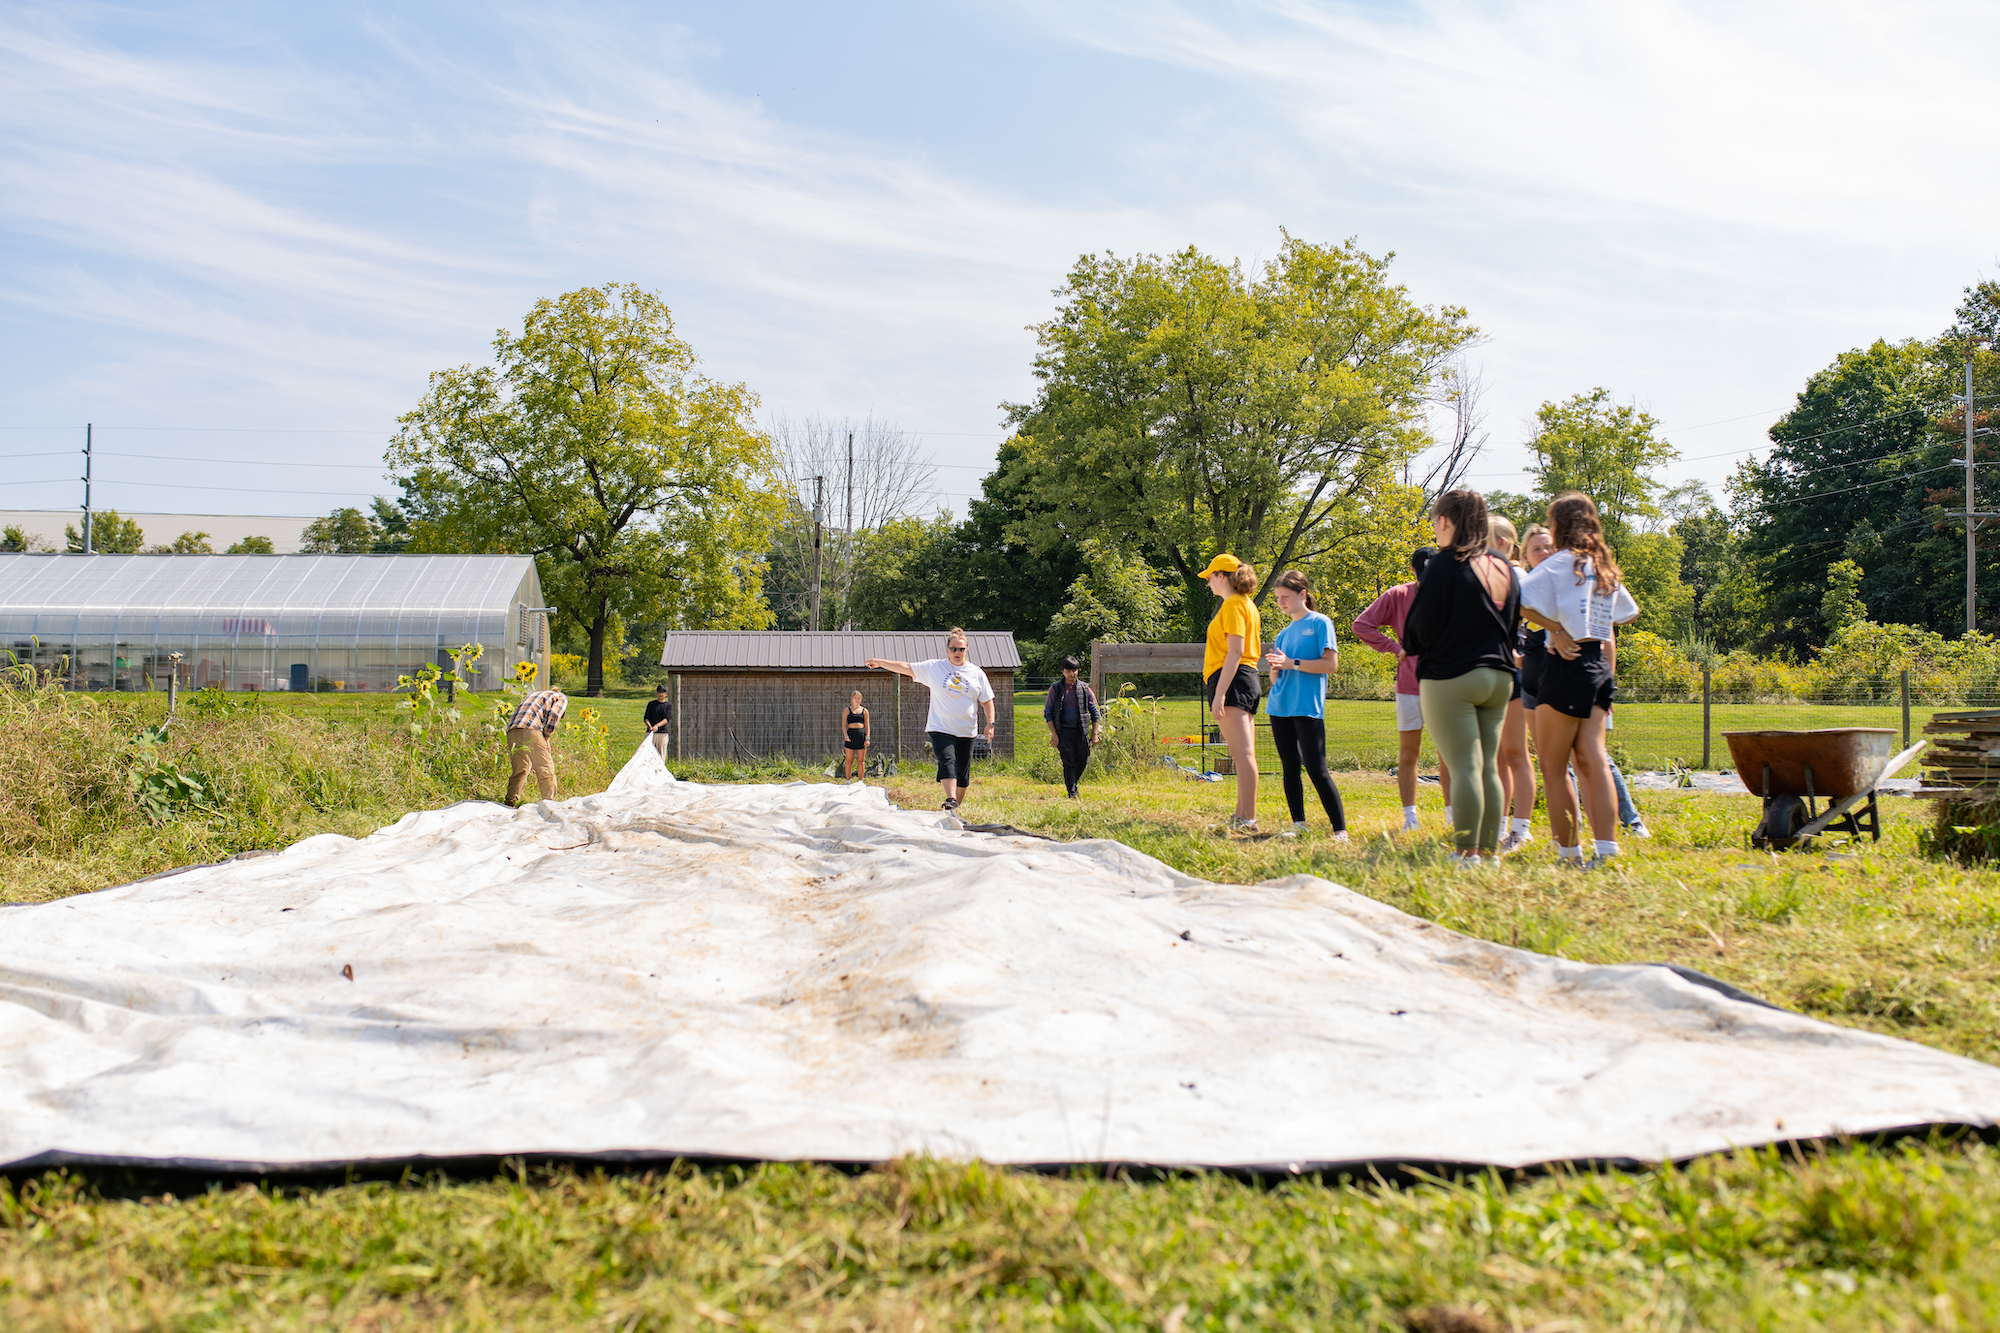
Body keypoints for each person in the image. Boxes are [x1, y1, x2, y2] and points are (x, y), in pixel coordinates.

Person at [1518, 493, 1641, 869]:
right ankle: (1607, 851)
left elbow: (1515, 601)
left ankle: (1569, 854)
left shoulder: (1557, 565)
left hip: (1566, 664)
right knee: (1594, 761)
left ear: (1559, 524)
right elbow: (1630, 613)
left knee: (1555, 768)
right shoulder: (1601, 566)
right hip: (1597, 664)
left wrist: (1556, 628)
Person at [1401, 490, 1521, 862]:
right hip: (1499, 677)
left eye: (1437, 521)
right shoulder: (1503, 566)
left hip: (1451, 677)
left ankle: (1466, 851)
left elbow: (1418, 626)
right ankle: (1488, 852)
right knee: (1487, 765)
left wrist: (1413, 644)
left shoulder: (1443, 564)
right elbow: (1513, 622)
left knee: (1464, 765)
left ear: (1446, 522)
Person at [1353, 547, 1449, 833]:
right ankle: (1410, 818)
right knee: (1409, 754)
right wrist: (1395, 648)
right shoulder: (1398, 595)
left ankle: (1453, 815)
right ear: (1413, 572)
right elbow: (1362, 625)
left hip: (1446, 684)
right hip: (1409, 685)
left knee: (1449, 755)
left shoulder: (1450, 594)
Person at [865, 628, 996, 812]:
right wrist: (880, 662)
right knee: (947, 759)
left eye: (961, 649)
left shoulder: (976, 673)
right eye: (953, 649)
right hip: (940, 727)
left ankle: (954, 808)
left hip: (966, 730)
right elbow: (906, 668)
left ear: (966, 650)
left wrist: (990, 724)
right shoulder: (935, 667)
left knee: (963, 773)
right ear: (947, 650)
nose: (957, 653)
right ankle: (950, 798)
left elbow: (987, 700)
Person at [1261, 570, 1349, 841]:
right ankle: (1299, 823)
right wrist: (1275, 669)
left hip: (1308, 707)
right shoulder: (1283, 634)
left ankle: (1340, 830)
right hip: (1279, 707)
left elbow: (1330, 665)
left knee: (1316, 768)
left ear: (1302, 594)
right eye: (1277, 598)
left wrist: (1292, 663)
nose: (1281, 602)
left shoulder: (1321, 623)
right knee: (1289, 766)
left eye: (1285, 597)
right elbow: (1277, 677)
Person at [1200, 554, 1263, 834]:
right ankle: (1241, 815)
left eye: (1210, 576)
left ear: (1222, 576)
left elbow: (1235, 651)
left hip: (1234, 679)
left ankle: (1247, 819)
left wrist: (1220, 693)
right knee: (1242, 754)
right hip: (1243, 678)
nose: (1208, 582)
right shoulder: (1243, 604)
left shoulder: (1234, 605)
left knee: (1242, 754)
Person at [1488, 517, 1537, 853]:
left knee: (1516, 752)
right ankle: (1502, 826)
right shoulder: (1493, 573)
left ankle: (1522, 829)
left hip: (1514, 671)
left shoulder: (1516, 575)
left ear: (1504, 543)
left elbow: (1532, 619)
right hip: (1496, 669)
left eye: (1485, 541)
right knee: (1501, 755)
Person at [1042, 656, 1101, 797]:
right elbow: (1048, 712)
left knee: (1083, 759)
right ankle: (1072, 793)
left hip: (1081, 731)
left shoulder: (1085, 689)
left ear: (1077, 671)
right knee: (1069, 762)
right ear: (1063, 672)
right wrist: (1054, 734)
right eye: (1068, 670)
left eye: (1074, 670)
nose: (1071, 673)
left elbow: (1095, 712)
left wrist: (1095, 734)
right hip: (1063, 732)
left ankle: (1072, 783)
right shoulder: (1055, 689)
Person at [504, 686, 568, 806]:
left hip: (512, 730)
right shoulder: (561, 698)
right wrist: (547, 737)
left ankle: (510, 800)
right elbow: (554, 714)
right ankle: (550, 804)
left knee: (521, 768)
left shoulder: (537, 694)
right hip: (530, 728)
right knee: (545, 767)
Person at [841, 690, 870, 780]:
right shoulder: (847, 710)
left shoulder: (864, 711)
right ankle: (848, 781)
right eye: (855, 698)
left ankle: (860, 781)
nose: (857, 700)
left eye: (858, 698)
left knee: (861, 761)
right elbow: (843, 725)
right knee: (849, 761)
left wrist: (867, 738)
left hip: (861, 736)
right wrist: (846, 736)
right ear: (852, 699)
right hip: (850, 736)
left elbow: (867, 725)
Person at [644, 682, 673, 759]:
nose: (661, 694)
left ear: (666, 694)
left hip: (662, 733)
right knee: (648, 754)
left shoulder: (668, 706)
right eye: (659, 692)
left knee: (661, 755)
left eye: (663, 692)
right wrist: (650, 727)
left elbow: (667, 719)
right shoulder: (651, 704)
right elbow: (646, 718)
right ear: (657, 693)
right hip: (651, 733)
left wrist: (657, 726)